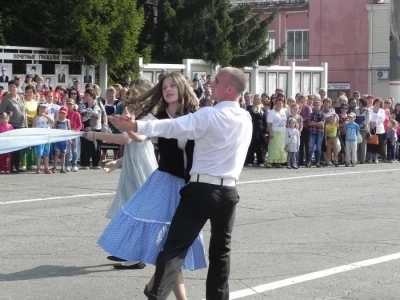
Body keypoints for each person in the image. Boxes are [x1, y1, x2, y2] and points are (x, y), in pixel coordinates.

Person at [108, 67, 252, 300]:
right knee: (221, 254)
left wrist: (136, 126)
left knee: (174, 249)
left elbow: (171, 127)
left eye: (216, 81)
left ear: (229, 89)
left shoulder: (208, 114)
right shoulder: (246, 118)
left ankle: (156, 295)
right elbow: (170, 125)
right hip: (228, 193)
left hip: (200, 190)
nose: (210, 84)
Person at [98, 72, 205, 299]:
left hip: (190, 185)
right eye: (164, 86)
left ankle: (155, 286)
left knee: (174, 245)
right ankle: (168, 293)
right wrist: (128, 126)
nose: (168, 89)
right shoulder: (157, 116)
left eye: (173, 85)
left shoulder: (195, 115)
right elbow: (139, 137)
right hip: (164, 183)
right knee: (168, 244)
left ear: (182, 88)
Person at [0, 80, 27, 173]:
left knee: (19, 148)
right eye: (10, 86)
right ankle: (11, 167)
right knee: (12, 148)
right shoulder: (6, 99)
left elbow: (25, 112)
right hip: (12, 126)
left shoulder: (21, 97)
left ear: (17, 88)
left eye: (14, 86)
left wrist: (26, 125)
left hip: (22, 125)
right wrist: (8, 116)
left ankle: (16, 165)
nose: (12, 88)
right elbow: (1, 113)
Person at [32, 102, 54, 174]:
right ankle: (38, 167)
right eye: (41, 108)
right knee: (39, 152)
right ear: (38, 108)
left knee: (46, 152)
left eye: (44, 108)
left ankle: (46, 167)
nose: (43, 109)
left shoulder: (49, 115)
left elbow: (53, 122)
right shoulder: (36, 117)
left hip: (47, 136)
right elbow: (33, 127)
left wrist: (46, 116)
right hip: (39, 136)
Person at [65, 98, 82, 172]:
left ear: (73, 105)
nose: (69, 106)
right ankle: (67, 165)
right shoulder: (65, 114)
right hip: (67, 134)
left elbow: (80, 125)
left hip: (74, 134)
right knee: (68, 150)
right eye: (68, 104)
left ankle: (74, 165)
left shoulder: (77, 114)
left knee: (74, 150)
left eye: (71, 104)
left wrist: (76, 130)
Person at [52, 106, 71, 173]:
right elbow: (54, 130)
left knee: (63, 154)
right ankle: (54, 167)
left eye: (64, 113)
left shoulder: (67, 121)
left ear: (66, 114)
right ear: (59, 113)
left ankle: (62, 168)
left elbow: (69, 130)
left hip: (64, 140)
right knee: (57, 154)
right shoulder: (57, 121)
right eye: (61, 113)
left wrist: (69, 139)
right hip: (58, 139)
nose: (62, 115)